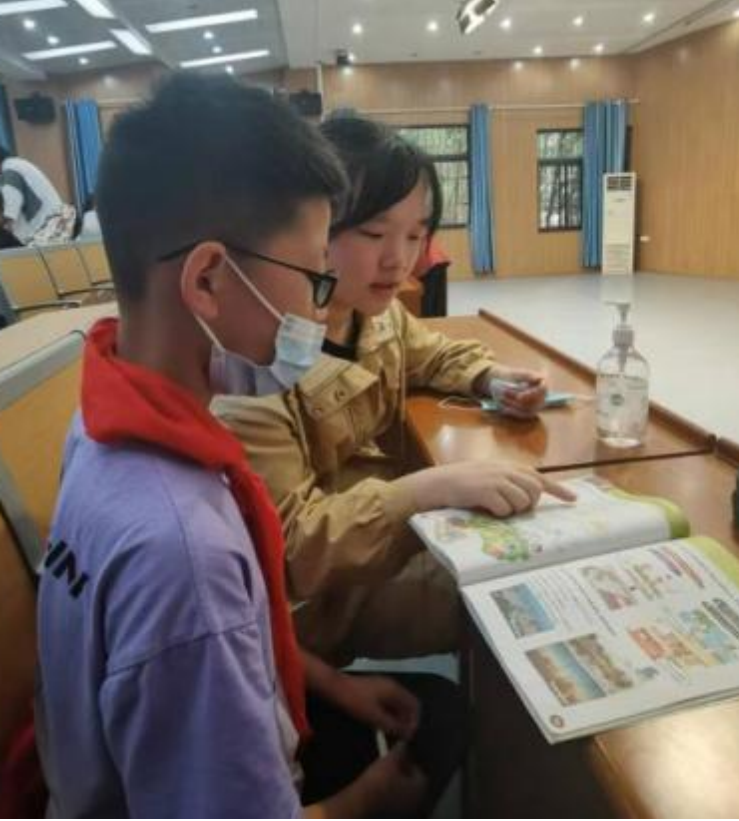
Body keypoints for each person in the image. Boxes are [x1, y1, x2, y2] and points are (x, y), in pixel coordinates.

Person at [32, 74, 463, 819]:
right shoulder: (184, 551)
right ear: (207, 279)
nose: (320, 311)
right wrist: (364, 802)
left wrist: (331, 684)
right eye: (314, 279)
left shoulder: (98, 422)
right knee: (446, 717)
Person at [215, 115, 575, 665]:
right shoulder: (258, 363)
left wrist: (492, 377)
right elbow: (293, 549)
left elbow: (430, 352)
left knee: (540, 546)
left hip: (382, 537)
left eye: (415, 235)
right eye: (374, 233)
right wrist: (431, 489)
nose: (399, 259)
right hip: (326, 601)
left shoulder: (375, 313)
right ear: (314, 227)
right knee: (516, 592)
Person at [0, 145, 75, 245]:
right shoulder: (17, 165)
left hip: (47, 232)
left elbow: (9, 215)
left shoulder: (10, 172)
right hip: (55, 226)